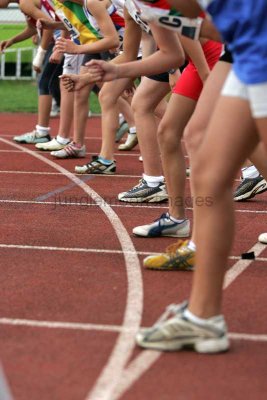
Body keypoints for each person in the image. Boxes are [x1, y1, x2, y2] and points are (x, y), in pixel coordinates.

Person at [134, 0, 267, 353]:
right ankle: (204, 318)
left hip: (258, 43)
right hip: (243, 46)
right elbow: (214, 27)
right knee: (207, 169)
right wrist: (163, 17)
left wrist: (161, 15)